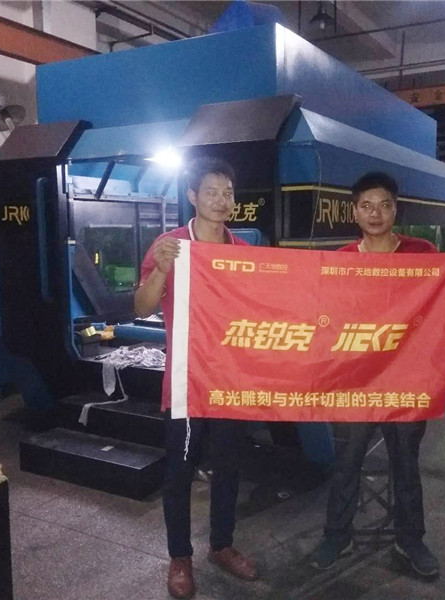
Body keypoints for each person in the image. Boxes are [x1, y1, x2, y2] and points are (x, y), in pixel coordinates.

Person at [310, 171, 445, 580]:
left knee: (406, 463)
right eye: (366, 206)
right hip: (355, 383)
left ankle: (410, 540)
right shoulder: (340, 262)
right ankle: (337, 535)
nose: (376, 214)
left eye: (384, 205)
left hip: (407, 380)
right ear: (354, 212)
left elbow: (440, 315)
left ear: (395, 210)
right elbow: (324, 321)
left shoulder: (422, 253)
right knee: (347, 462)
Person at [135, 157, 258, 600]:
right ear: (192, 196)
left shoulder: (242, 253)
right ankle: (180, 557)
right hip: (186, 382)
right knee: (180, 470)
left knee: (228, 467)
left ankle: (221, 545)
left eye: (228, 193)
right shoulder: (171, 246)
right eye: (211, 192)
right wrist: (162, 269)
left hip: (231, 382)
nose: (221, 200)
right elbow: (141, 307)